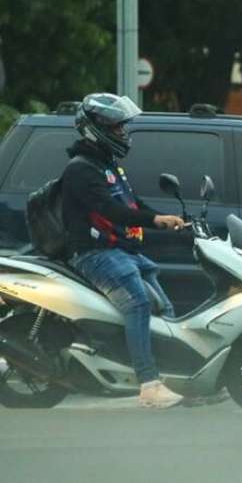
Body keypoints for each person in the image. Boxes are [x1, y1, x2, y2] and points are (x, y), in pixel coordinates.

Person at [62, 93, 185, 409]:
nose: (123, 133)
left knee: (166, 310)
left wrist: (161, 219)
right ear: (96, 128)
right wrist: (153, 219)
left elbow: (131, 205)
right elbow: (110, 209)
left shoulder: (107, 165)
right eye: (117, 127)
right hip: (95, 254)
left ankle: (174, 376)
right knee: (139, 305)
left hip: (123, 250)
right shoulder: (81, 170)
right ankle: (148, 384)